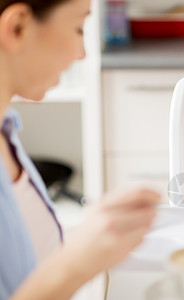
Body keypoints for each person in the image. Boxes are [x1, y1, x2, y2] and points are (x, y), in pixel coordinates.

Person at [0, 0, 160, 299]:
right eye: (77, 27)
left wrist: (93, 237)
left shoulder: (7, 125)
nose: (82, 53)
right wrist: (78, 263)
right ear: (18, 27)